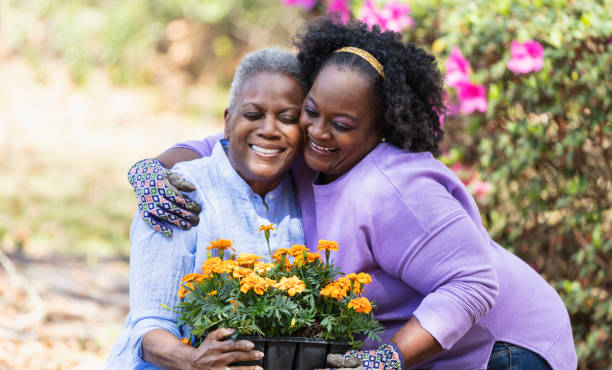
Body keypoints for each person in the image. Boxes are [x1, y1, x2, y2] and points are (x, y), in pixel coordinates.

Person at [130, 19, 577, 369]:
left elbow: (472, 284)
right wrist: (151, 169)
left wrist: (386, 360)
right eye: (310, 112)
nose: (318, 133)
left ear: (380, 128)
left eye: (342, 125)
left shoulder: (395, 187)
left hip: (505, 347)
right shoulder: (311, 154)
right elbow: (233, 141)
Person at [107, 47, 307, 369]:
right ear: (228, 122)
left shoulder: (305, 192)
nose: (270, 129)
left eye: (287, 118)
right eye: (253, 115)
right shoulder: (179, 193)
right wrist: (194, 360)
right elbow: (149, 328)